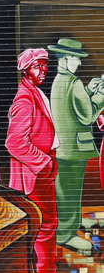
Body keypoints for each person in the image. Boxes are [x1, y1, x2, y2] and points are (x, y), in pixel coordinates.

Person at [6, 48, 78, 273]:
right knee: (46, 223)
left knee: (44, 223)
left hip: (42, 168)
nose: (43, 70)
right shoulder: (25, 98)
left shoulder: (35, 92)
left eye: (45, 65)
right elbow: (14, 142)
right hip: (35, 173)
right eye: (37, 65)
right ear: (25, 69)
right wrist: (44, 162)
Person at [48, 38, 104, 256]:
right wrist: (101, 94)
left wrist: (91, 89)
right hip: (73, 148)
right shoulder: (73, 83)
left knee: (69, 190)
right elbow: (88, 114)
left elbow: (77, 104)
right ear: (65, 59)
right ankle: (66, 234)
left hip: (65, 146)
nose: (79, 64)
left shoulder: (61, 81)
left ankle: (74, 220)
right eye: (76, 60)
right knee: (69, 190)